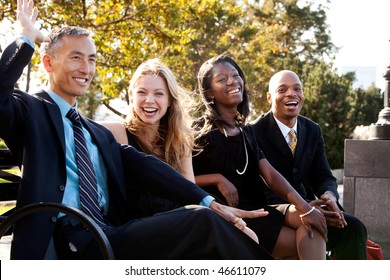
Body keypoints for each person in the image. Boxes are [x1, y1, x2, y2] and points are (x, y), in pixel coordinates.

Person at [0, 0, 272, 260]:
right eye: (76, 58)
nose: (86, 69)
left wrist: (209, 201)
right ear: (48, 64)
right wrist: (26, 37)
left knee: (208, 233)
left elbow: (146, 167)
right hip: (70, 240)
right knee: (203, 223)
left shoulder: (95, 133)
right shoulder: (30, 110)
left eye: (92, 59)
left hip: (108, 234)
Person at [192, 54, 328, 259]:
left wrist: (305, 206)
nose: (232, 81)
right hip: (229, 217)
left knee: (311, 219)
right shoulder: (198, 131)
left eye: (235, 75)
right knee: (304, 238)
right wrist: (216, 178)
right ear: (209, 93)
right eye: (222, 79)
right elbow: (179, 179)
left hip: (260, 209)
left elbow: (271, 176)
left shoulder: (246, 130)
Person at [250, 69, 368, 259]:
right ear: (269, 97)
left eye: (297, 88)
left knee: (353, 227)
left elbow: (324, 176)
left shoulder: (312, 130)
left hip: (313, 207)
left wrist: (329, 196)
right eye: (283, 89)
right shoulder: (252, 132)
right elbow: (261, 186)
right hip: (275, 214)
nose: (291, 93)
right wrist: (304, 206)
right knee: (312, 226)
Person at [100, 58, 196, 218]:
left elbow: (192, 196)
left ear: (169, 100)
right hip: (133, 230)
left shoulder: (181, 142)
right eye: (142, 92)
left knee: (244, 232)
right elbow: (71, 119)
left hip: (177, 225)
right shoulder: (117, 132)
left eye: (159, 94)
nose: (149, 100)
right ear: (131, 96)